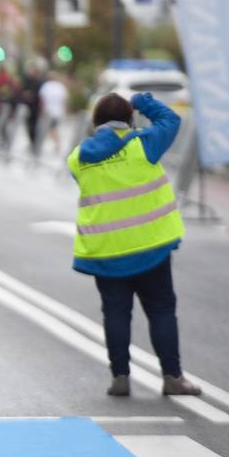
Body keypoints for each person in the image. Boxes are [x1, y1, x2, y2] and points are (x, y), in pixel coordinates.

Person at [66, 92, 200, 398]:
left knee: (115, 313)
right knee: (162, 310)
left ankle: (120, 377)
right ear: (130, 120)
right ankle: (173, 377)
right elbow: (171, 120)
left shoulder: (78, 158)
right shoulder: (144, 144)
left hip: (106, 251)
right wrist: (142, 101)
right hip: (151, 248)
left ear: (95, 123)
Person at [38, 72, 70, 158]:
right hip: (58, 112)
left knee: (50, 129)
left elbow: (42, 99)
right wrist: (65, 111)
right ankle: (57, 144)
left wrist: (41, 110)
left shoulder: (46, 86)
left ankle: (57, 145)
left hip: (48, 112)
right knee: (53, 129)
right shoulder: (60, 87)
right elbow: (65, 100)